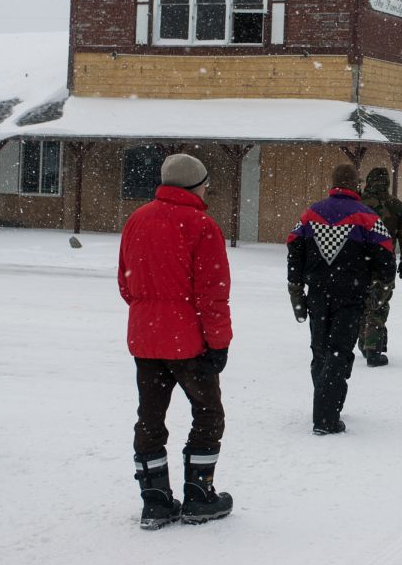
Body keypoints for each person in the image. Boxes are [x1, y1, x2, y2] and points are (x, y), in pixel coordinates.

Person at [118, 153, 233, 529]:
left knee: (150, 418)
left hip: (145, 339)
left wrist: (151, 314)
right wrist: (219, 342)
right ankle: (199, 493)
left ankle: (155, 500)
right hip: (189, 342)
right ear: (197, 185)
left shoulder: (137, 219)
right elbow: (212, 293)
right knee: (208, 413)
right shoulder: (202, 225)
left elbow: (125, 282)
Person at [287, 164, 396, 435]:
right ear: (356, 184)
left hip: (317, 294)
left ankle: (324, 400)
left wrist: (296, 287)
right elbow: (386, 254)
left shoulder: (310, 214)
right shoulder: (367, 217)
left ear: (333, 183)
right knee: (339, 352)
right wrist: (380, 287)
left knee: (320, 350)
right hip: (351, 295)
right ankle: (326, 417)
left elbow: (294, 247)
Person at [358, 167, 402, 367]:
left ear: (369, 181)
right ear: (387, 183)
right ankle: (373, 348)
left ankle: (364, 341)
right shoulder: (396, 206)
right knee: (379, 303)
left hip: (357, 262)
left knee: (362, 302)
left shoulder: (358, 203)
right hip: (384, 263)